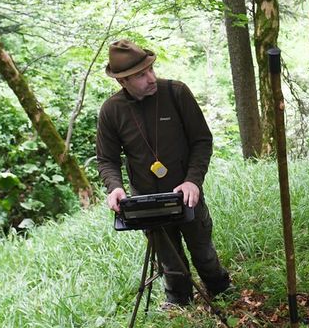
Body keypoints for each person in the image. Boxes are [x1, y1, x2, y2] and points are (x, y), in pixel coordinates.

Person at [96, 39, 231, 306]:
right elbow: (106, 159)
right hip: (146, 201)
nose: (151, 78)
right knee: (168, 259)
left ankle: (221, 291)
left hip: (186, 195)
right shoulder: (112, 110)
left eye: (151, 69)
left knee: (203, 251)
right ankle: (179, 302)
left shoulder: (176, 93)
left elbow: (202, 141)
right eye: (140, 75)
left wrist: (193, 180)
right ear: (123, 82)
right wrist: (115, 187)